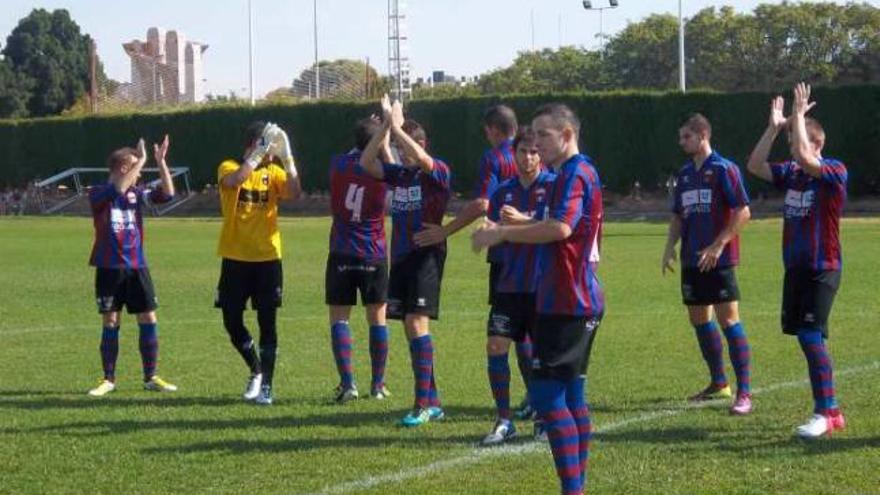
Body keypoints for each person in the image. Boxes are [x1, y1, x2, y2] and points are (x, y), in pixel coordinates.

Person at [473, 103, 602, 495]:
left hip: (568, 299)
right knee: (572, 395)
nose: (537, 143)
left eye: (544, 135)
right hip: (570, 296)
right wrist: (511, 224)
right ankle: (576, 487)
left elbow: (561, 228)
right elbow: (556, 223)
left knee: (547, 395)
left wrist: (502, 234)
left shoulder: (574, 173)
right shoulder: (569, 173)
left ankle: (572, 490)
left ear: (566, 135)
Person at [414, 104, 535, 419]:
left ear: (492, 130)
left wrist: (446, 230)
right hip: (535, 251)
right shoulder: (538, 153)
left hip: (505, 253)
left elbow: (482, 203)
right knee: (528, 329)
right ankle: (535, 396)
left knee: (510, 328)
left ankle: (528, 402)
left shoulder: (494, 158)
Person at [746, 83, 847, 438]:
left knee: (809, 335)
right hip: (796, 268)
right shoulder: (792, 174)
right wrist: (775, 128)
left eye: (795, 142)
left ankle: (827, 412)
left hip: (824, 267)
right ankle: (830, 410)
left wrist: (799, 117)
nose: (791, 152)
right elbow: (755, 164)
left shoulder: (834, 172)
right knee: (807, 337)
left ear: (816, 143)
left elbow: (805, 156)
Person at [361, 95, 451, 427]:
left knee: (416, 323)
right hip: (400, 257)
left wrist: (399, 128)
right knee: (412, 330)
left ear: (421, 144)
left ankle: (422, 404)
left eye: (409, 146)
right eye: (401, 149)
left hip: (426, 256)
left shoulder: (436, 171)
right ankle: (434, 400)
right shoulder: (400, 175)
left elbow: (424, 160)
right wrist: (386, 125)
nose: (404, 154)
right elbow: (367, 162)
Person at [661, 113, 753, 416]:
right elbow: (677, 215)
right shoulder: (685, 174)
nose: (680, 142)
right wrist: (668, 247)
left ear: (703, 136)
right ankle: (718, 382)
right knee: (699, 320)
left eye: (686, 136)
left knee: (729, 320)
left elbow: (743, 212)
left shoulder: (725, 169)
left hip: (720, 259)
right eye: (679, 137)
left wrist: (718, 244)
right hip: (691, 259)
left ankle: (745, 392)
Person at [215, 121, 301, 406]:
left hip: (267, 260)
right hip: (235, 258)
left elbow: (295, 192)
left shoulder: (273, 171)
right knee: (231, 320)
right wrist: (260, 150)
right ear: (253, 143)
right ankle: (255, 368)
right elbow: (235, 180)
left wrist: (288, 159)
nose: (270, 152)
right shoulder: (227, 166)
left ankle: (267, 386)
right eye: (267, 145)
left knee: (268, 323)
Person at [480, 126, 556, 446]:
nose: (529, 157)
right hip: (509, 283)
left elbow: (557, 228)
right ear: (515, 154)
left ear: (543, 154)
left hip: (543, 283)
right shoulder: (502, 192)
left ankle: (543, 418)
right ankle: (505, 419)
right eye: (523, 151)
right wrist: (492, 229)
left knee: (541, 356)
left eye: (535, 151)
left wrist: (521, 219)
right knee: (496, 345)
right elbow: (495, 234)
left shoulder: (554, 187)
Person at [86, 135, 177, 397]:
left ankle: (151, 376)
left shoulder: (137, 194)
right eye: (135, 167)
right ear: (123, 168)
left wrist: (159, 162)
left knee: (148, 317)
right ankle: (108, 379)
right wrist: (144, 159)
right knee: (111, 320)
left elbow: (168, 194)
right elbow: (116, 190)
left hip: (137, 266)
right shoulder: (99, 193)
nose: (139, 174)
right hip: (109, 267)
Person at [326, 117, 392, 403]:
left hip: (341, 249)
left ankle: (348, 384)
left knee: (339, 318)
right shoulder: (382, 171)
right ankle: (377, 385)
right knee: (377, 319)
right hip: (373, 251)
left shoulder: (338, 164)